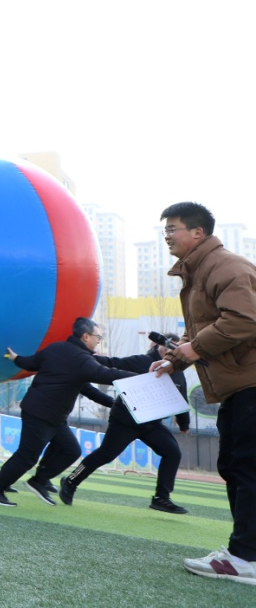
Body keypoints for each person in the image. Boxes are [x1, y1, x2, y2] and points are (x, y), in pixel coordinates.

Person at [151, 202, 256, 584]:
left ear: (198, 232)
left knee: (245, 467)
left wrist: (191, 351)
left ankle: (246, 557)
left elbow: (244, 320)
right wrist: (174, 360)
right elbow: (201, 331)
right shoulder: (197, 273)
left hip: (250, 383)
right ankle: (245, 552)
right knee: (234, 465)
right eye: (164, 230)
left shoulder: (226, 266)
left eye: (172, 229)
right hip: (238, 385)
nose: (166, 237)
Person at [0, 317, 132, 507]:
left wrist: (16, 358)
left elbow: (31, 363)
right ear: (85, 336)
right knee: (27, 456)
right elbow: (107, 375)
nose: (98, 340)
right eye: (97, 337)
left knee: (70, 450)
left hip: (52, 416)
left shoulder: (56, 349)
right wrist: (141, 377)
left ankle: (39, 480)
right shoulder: (81, 359)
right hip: (41, 413)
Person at [57, 344, 188, 513]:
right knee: (106, 454)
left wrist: (184, 423)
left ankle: (161, 498)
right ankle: (70, 481)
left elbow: (181, 397)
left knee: (172, 452)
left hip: (151, 424)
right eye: (167, 346)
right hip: (125, 419)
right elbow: (113, 362)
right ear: (158, 347)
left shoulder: (178, 372)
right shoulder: (143, 361)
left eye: (175, 348)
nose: (171, 350)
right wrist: (81, 358)